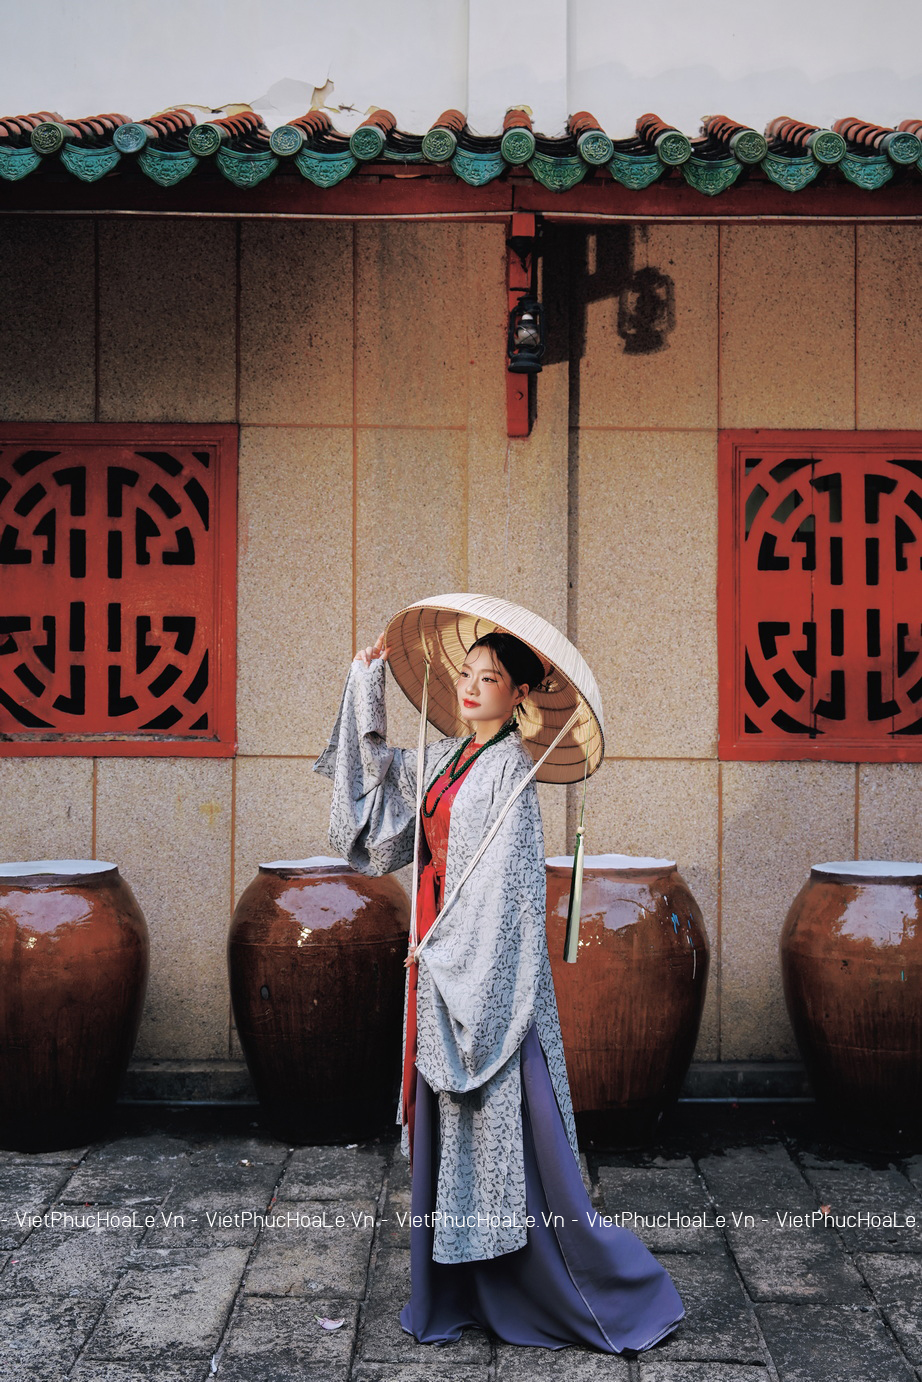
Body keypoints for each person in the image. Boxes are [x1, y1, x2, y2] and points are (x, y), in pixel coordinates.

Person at [313, 626, 684, 1354]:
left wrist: (451, 957)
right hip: (438, 948)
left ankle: (553, 1287)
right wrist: (366, 684)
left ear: (518, 696)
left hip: (483, 972)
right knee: (446, 1123)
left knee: (507, 1120)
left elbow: (509, 900)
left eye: (490, 679)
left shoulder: (512, 773)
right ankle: (458, 1289)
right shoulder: (452, 755)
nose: (471, 687)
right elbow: (378, 773)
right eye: (467, 673)